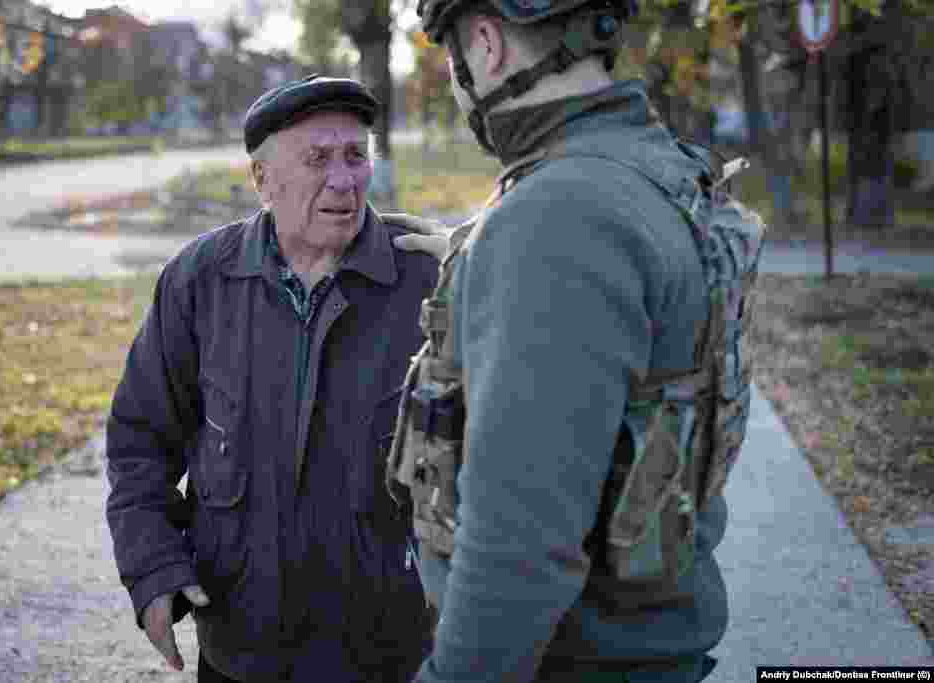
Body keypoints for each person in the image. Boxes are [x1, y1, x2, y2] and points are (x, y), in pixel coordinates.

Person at [387, 1, 767, 682]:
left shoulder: (555, 221)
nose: (454, 84)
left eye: (452, 61)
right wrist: (487, 276)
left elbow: (518, 554)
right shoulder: (659, 167)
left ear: (485, 44)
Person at [105, 75, 439, 683]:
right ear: (263, 180)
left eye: (355, 156)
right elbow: (140, 442)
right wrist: (153, 568)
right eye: (317, 159)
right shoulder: (200, 280)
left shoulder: (428, 275)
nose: (344, 179)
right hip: (242, 647)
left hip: (389, 652)